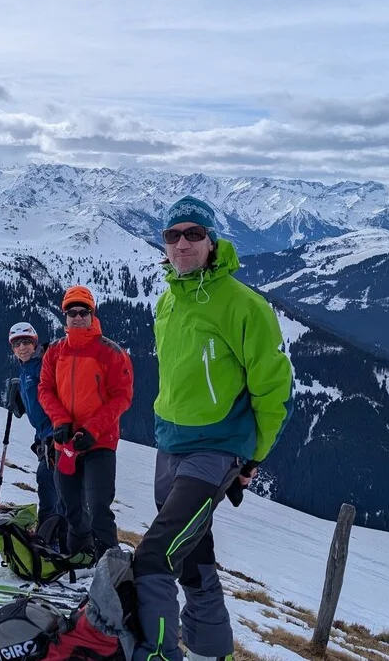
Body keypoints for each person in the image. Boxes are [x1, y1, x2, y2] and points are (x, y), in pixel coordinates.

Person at [132, 196, 294, 661]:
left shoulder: (244, 305)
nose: (182, 243)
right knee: (193, 558)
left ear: (212, 242)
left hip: (217, 448)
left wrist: (254, 457)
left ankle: (158, 653)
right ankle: (211, 649)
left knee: (155, 557)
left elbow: (273, 388)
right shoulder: (167, 303)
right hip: (171, 446)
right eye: (172, 235)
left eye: (194, 234)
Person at [37, 285, 134, 565]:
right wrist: (61, 421)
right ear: (64, 316)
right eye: (72, 312)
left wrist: (93, 429)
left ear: (93, 314)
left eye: (84, 312)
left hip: (100, 442)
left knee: (99, 507)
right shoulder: (54, 351)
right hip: (65, 442)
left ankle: (109, 568)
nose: (77, 317)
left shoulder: (111, 352)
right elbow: (45, 389)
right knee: (69, 505)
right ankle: (77, 556)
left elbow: (122, 396)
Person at [8, 321, 65, 543]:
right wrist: (21, 400)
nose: (22, 347)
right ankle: (51, 533)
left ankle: (54, 536)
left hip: (56, 434)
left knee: (50, 482)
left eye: (27, 342)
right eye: (17, 344)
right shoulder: (26, 369)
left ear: (35, 343)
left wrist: (55, 432)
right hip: (43, 436)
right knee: (49, 482)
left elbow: (56, 398)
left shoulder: (45, 364)